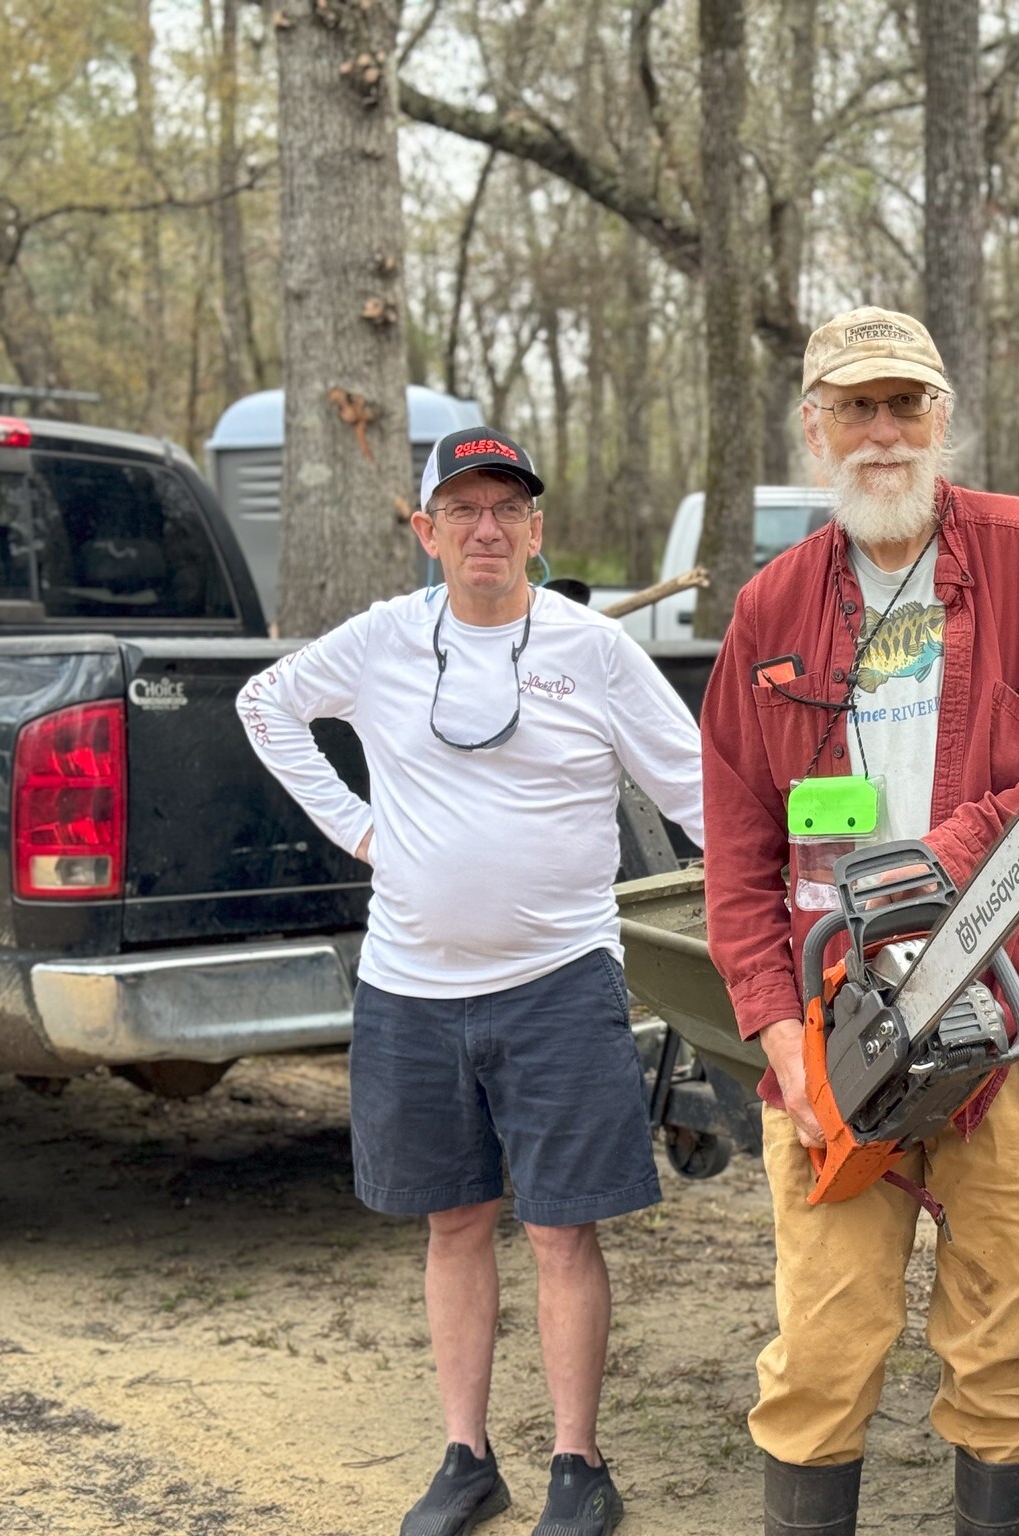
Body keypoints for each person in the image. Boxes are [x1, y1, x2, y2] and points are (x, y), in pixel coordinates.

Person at [700, 307, 1019, 1536]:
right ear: (814, 428)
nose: (882, 432)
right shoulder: (771, 610)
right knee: (819, 1358)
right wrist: (774, 1032)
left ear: (942, 418)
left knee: (1003, 1356)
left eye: (906, 405)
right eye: (856, 407)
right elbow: (738, 852)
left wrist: (946, 859)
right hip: (835, 1023)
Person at [237, 426, 702, 1536]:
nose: (485, 528)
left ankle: (577, 1463)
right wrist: (358, 831)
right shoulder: (381, 640)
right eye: (462, 509)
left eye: (506, 509)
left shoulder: (591, 649)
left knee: (559, 1233)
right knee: (452, 1224)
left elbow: (695, 789)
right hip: (411, 989)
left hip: (558, 983)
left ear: (535, 531)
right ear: (426, 532)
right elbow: (266, 707)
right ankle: (464, 1456)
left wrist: (787, 885)